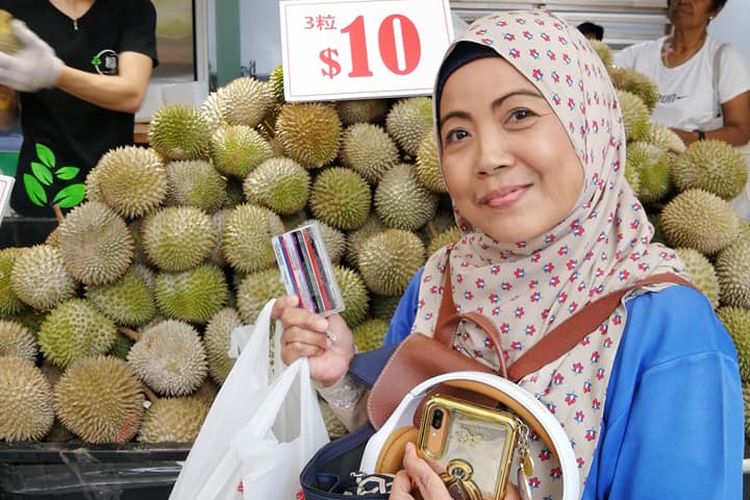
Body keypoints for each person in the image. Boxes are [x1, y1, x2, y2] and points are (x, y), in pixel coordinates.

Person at [274, 9, 743, 500]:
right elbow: (395, 436)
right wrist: (341, 378)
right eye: (458, 133)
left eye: (519, 115)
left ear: (588, 117)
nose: (488, 157)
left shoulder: (670, 328)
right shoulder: (441, 279)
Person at [0, 0, 157, 228]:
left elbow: (131, 94)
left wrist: (54, 73)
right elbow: (6, 118)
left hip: (116, 196)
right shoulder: (16, 8)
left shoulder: (134, 8)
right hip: (41, 199)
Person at [613, 0, 750, 148]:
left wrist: (692, 138)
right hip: (638, 159)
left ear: (715, 10)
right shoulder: (637, 55)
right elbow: (601, 73)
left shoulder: (723, 57)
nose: (684, 1)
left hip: (689, 160)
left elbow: (741, 130)